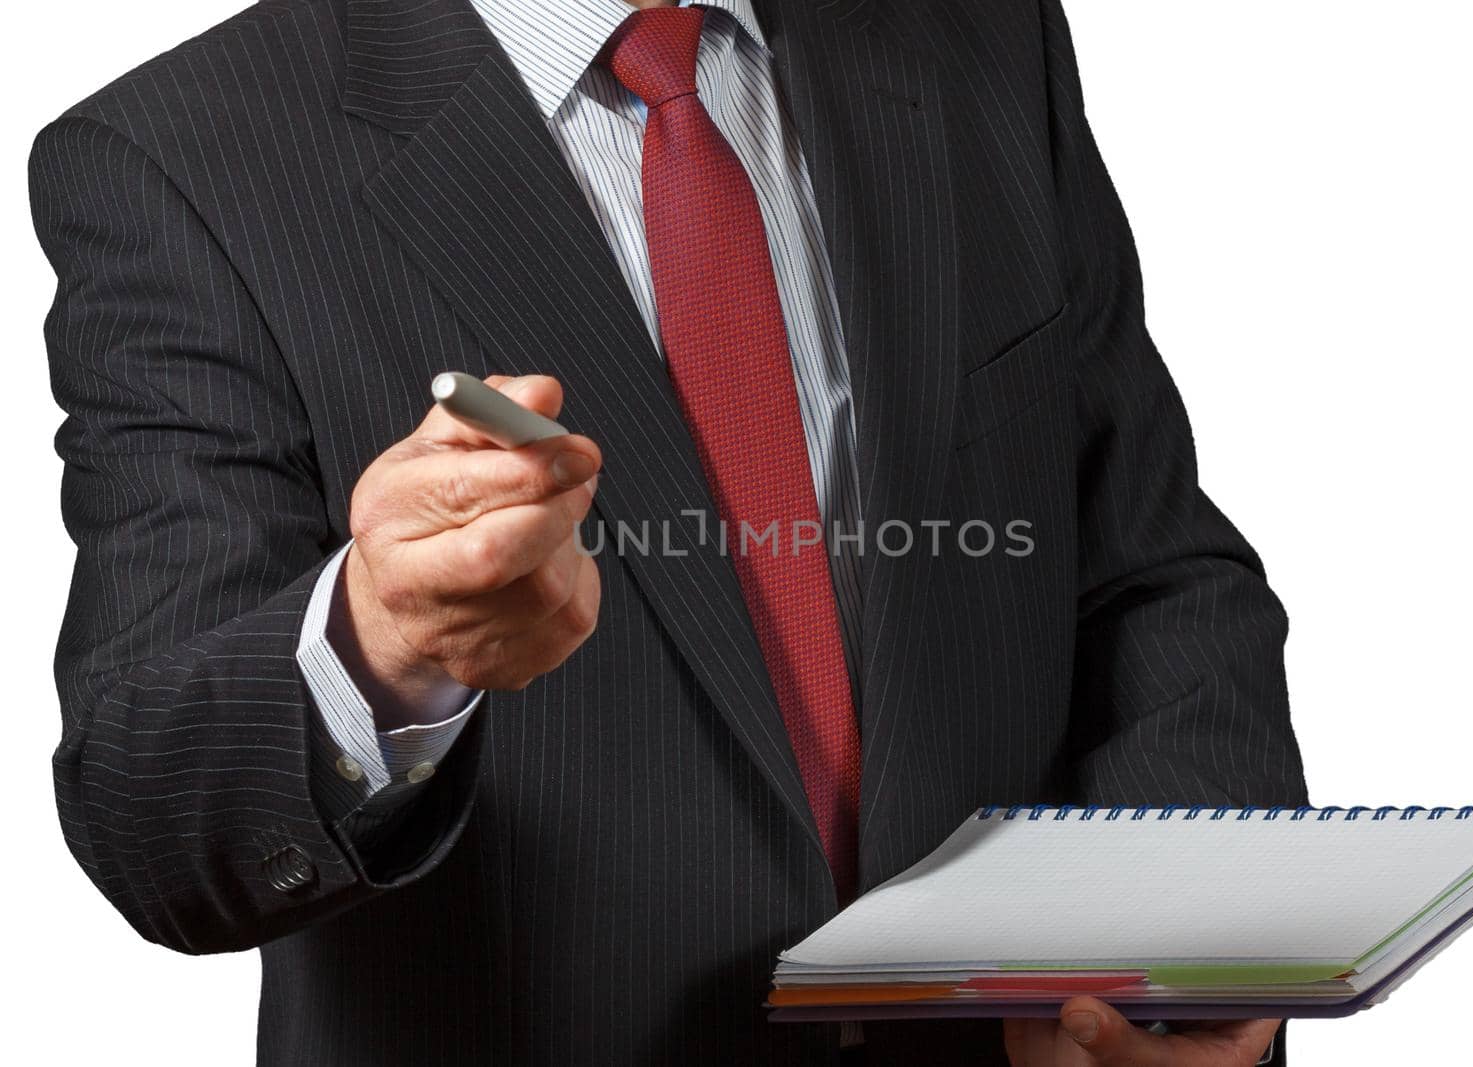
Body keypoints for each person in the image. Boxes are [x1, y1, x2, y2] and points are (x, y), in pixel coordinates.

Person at [29, 0, 1307, 1063]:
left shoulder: (979, 33)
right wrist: (380, 643)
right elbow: (153, 813)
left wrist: (1185, 957)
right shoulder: (179, 156)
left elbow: (1143, 569)